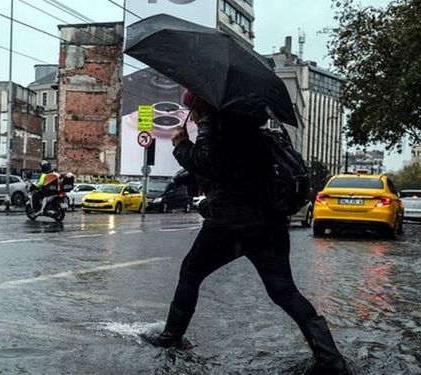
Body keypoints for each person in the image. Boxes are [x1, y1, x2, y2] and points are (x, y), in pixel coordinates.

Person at [142, 89, 349, 374]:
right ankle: (331, 359)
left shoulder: (213, 123)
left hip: (230, 223)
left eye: (191, 108)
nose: (192, 114)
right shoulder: (251, 127)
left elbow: (209, 163)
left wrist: (180, 145)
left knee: (190, 273)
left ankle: (170, 338)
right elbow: (233, 166)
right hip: (269, 223)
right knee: (284, 291)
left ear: (200, 107)